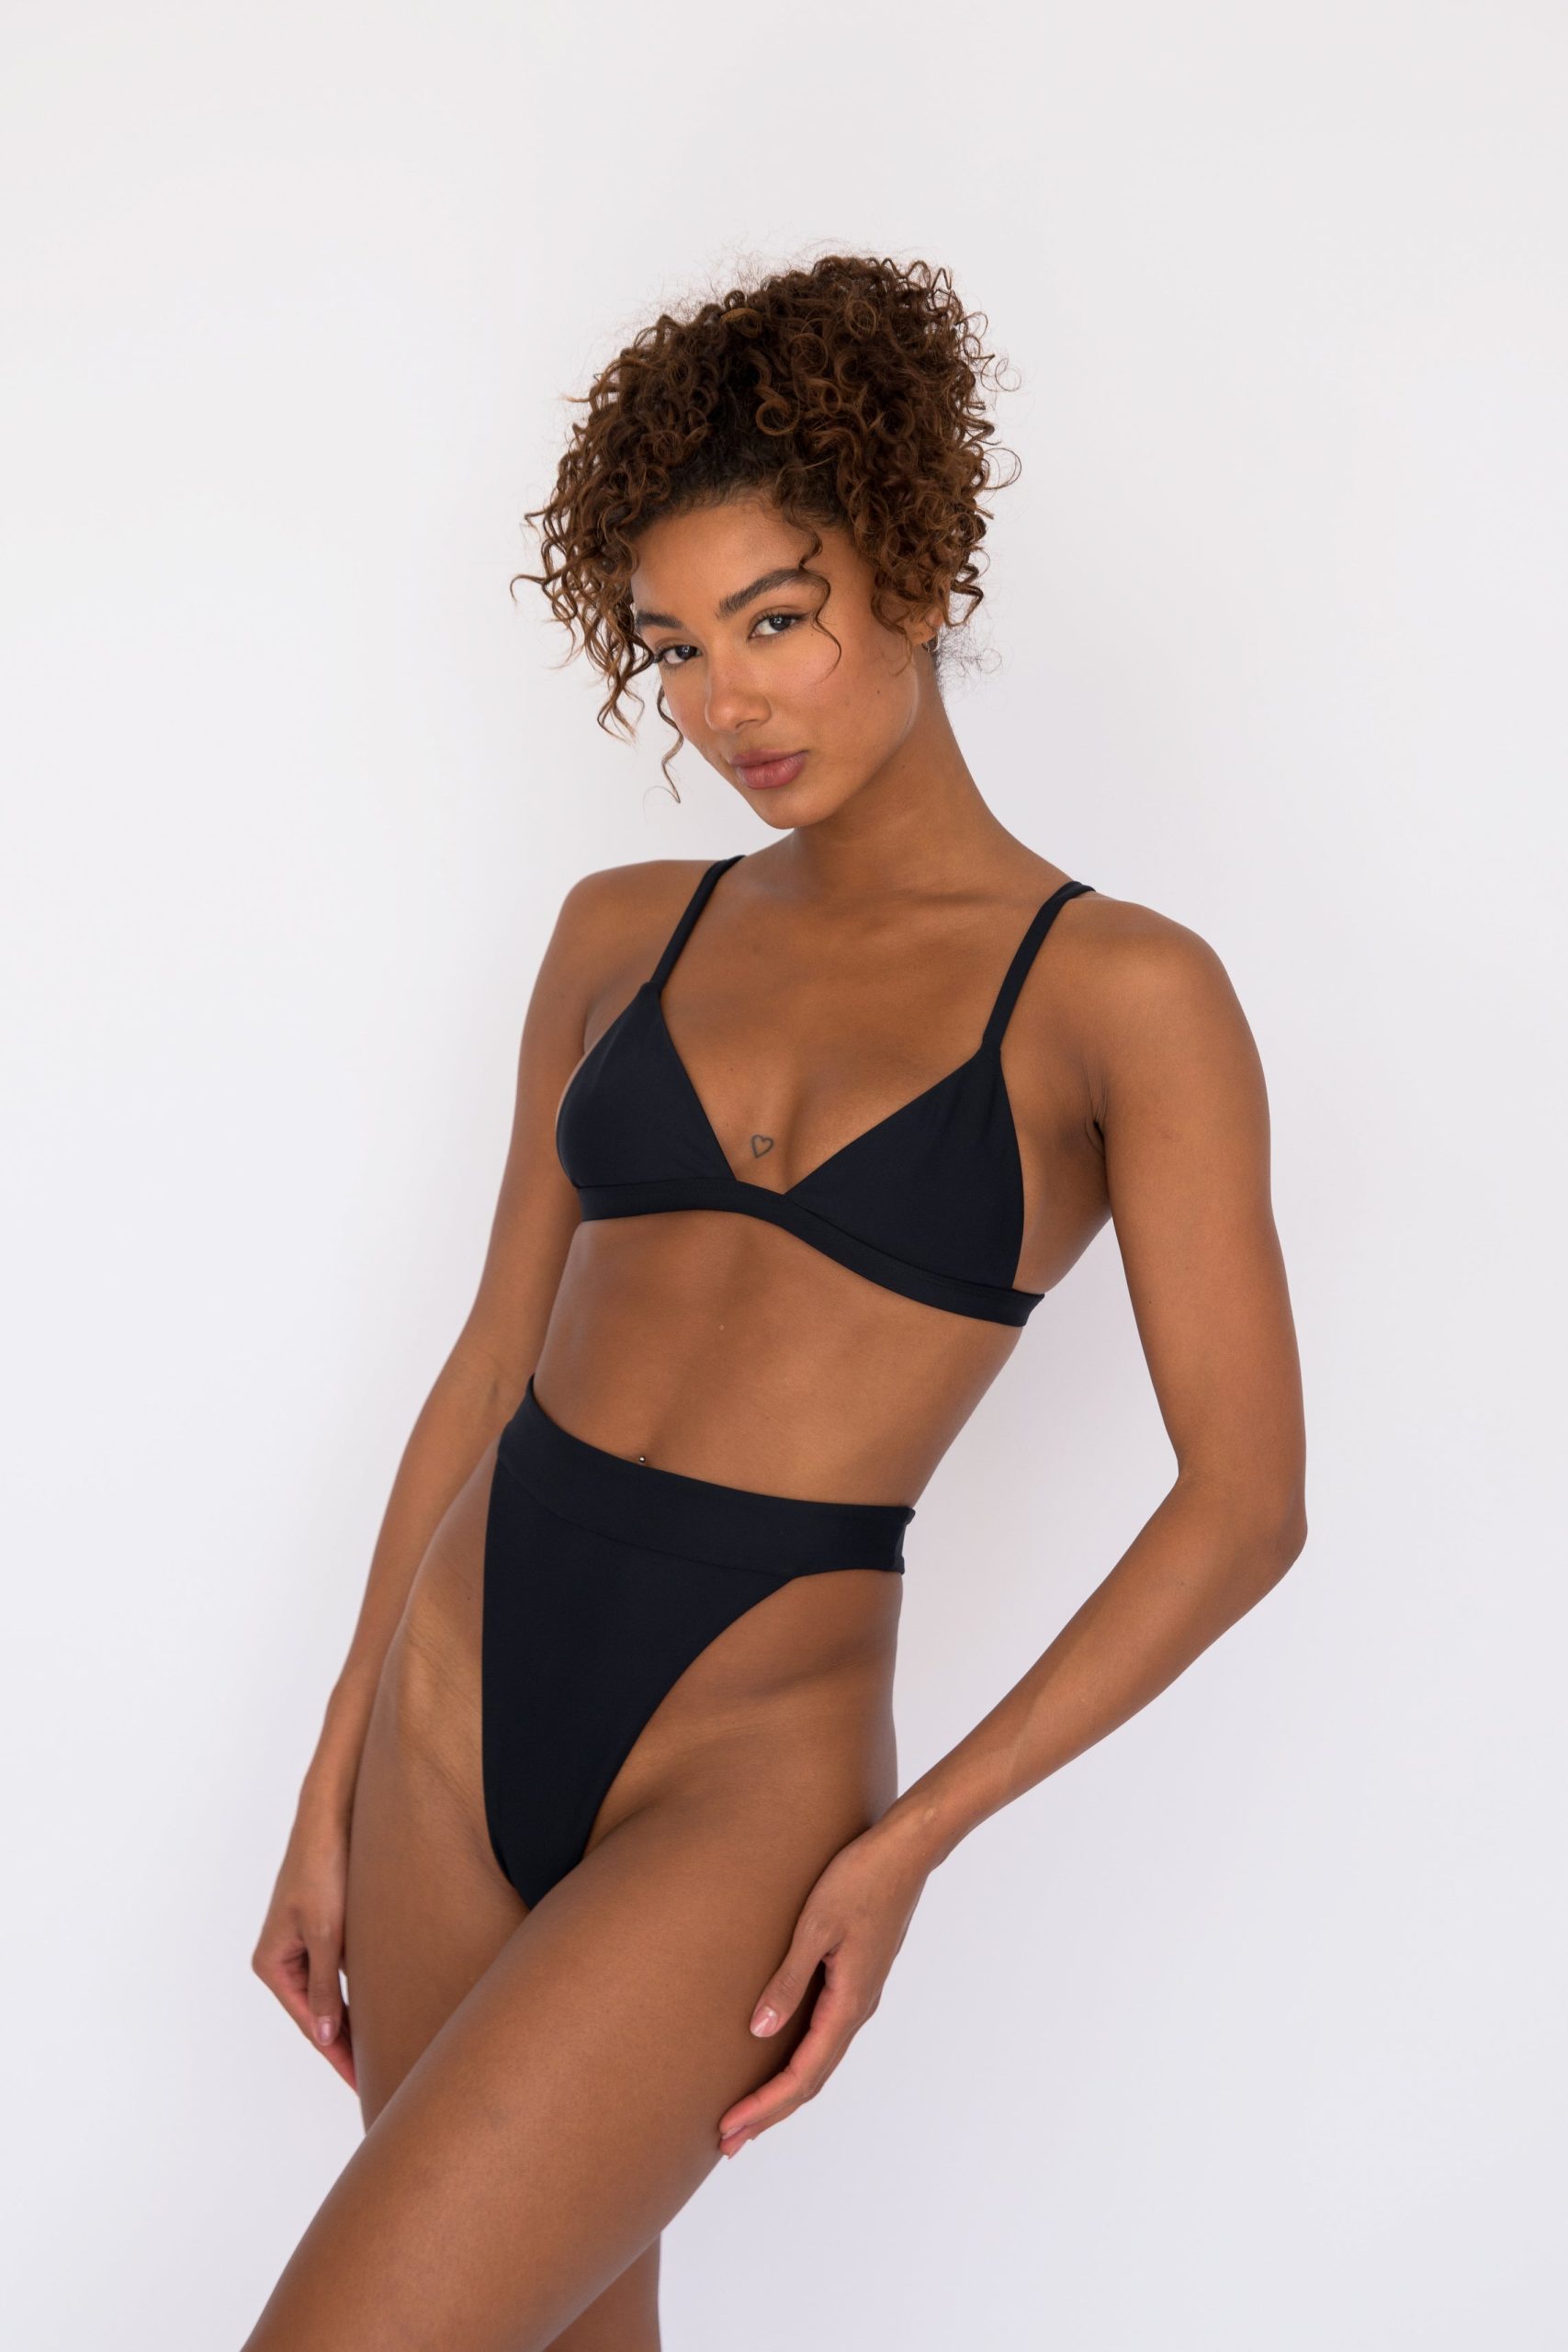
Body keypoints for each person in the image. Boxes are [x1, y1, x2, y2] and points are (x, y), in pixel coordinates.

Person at [244, 252, 1307, 2349]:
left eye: (775, 618)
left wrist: (912, 1843)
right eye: (673, 649)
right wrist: (333, 1764)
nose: (725, 704)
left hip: (744, 1767)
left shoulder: (1121, 996)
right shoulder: (618, 934)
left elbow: (1244, 1503)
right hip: (452, 1706)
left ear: (908, 567)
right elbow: (491, 1356)